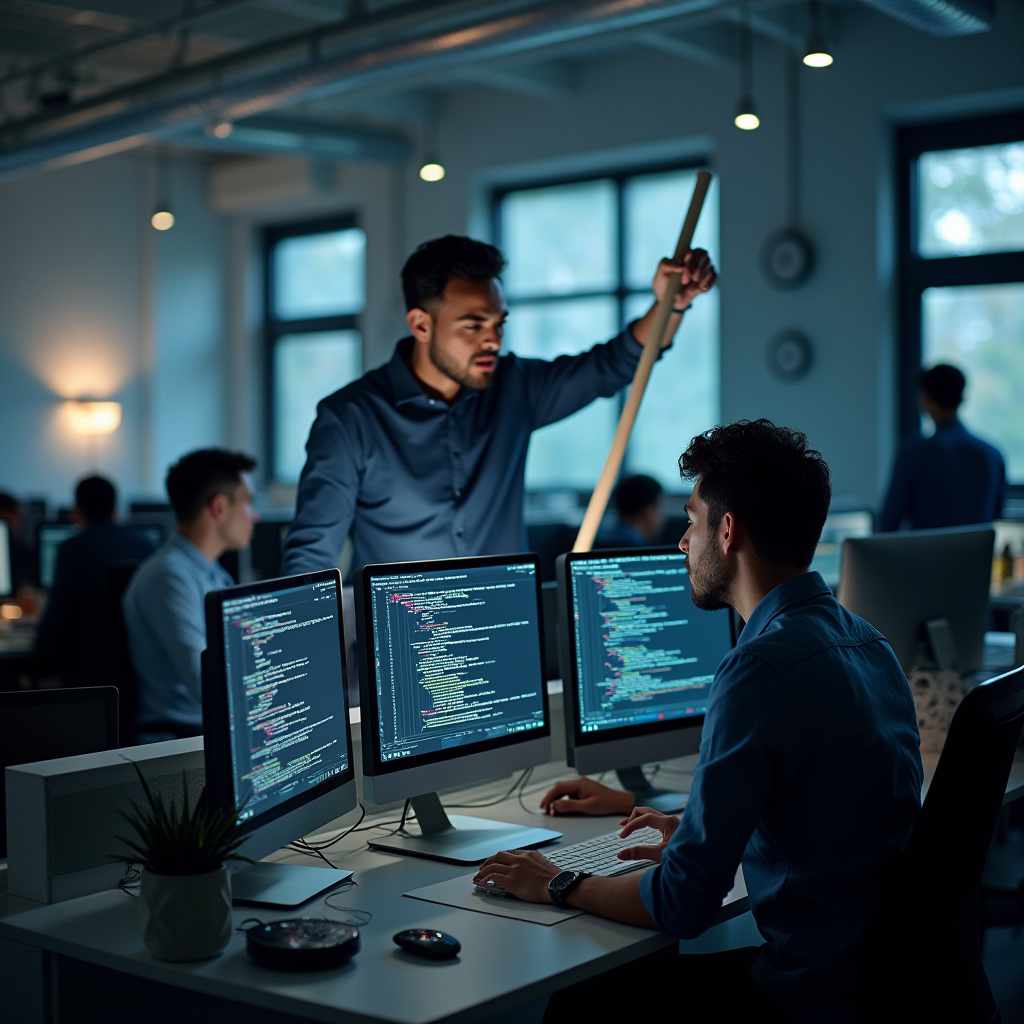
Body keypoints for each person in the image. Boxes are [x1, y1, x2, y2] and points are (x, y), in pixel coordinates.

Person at [475, 420, 923, 1024]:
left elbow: (682, 904)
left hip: (809, 998)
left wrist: (557, 881)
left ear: (728, 530)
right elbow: (824, 805)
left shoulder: (758, 667)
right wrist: (689, 826)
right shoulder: (868, 642)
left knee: (584, 1003)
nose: (683, 542)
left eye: (691, 521)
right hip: (884, 980)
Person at [282, 235, 716, 575]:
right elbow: (311, 553)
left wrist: (668, 307)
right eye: (472, 325)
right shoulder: (350, 418)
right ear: (421, 324)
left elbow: (611, 365)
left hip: (505, 638)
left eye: (498, 323)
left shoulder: (514, 386)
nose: (492, 339)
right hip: (404, 649)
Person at [123, 450, 258, 742]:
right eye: (247, 502)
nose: (254, 515)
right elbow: (207, 685)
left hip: (216, 730)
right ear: (219, 507)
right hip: (182, 744)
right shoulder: (169, 577)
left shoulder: (213, 573)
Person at [34, 476, 155, 688]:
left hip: (89, 676)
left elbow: (54, 624)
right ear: (115, 508)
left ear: (77, 510)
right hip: (141, 673)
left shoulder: (73, 548)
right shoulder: (146, 546)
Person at [880, 363, 1005, 531]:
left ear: (925, 399)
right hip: (976, 557)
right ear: (962, 398)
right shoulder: (992, 454)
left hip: (926, 556)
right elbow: (998, 515)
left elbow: (889, 523)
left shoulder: (913, 454)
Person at [596, 474, 666, 547]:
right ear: (649, 511)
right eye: (661, 508)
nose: (663, 517)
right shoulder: (637, 550)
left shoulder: (598, 541)